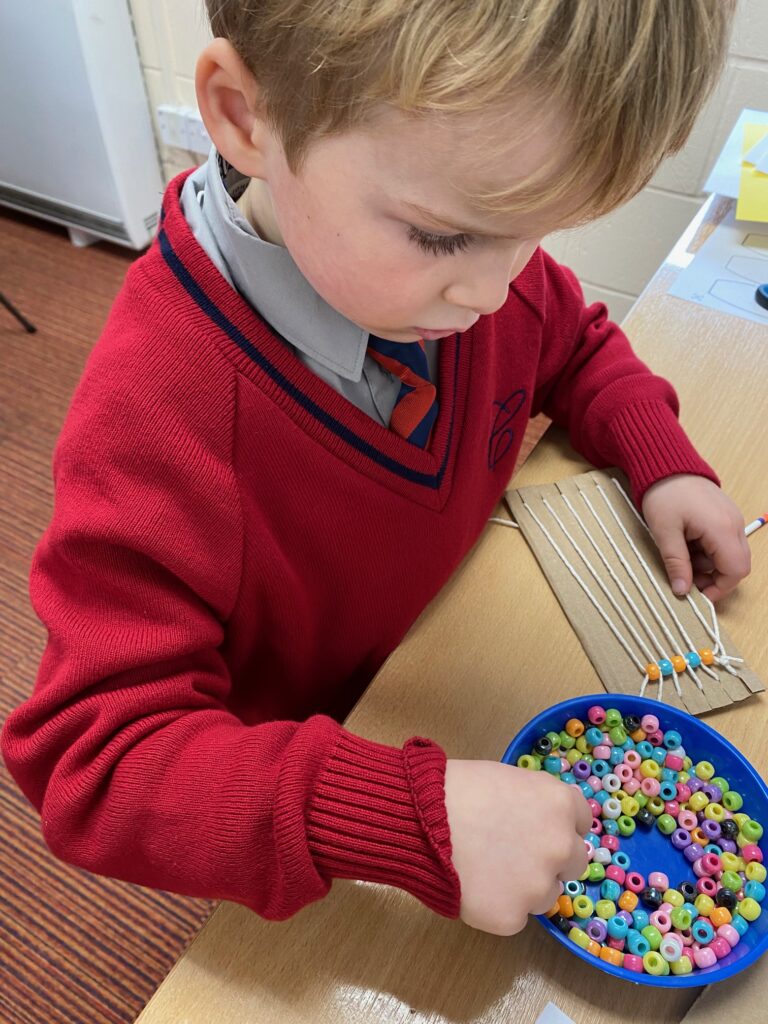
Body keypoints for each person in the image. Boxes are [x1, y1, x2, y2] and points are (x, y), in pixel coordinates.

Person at [2, 0, 749, 938]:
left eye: (537, 231)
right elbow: (95, 763)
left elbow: (573, 341)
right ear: (241, 118)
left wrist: (659, 458)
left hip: (442, 681)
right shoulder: (159, 407)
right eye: (441, 238)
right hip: (300, 800)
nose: (491, 291)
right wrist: (389, 814)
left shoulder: (478, 274)